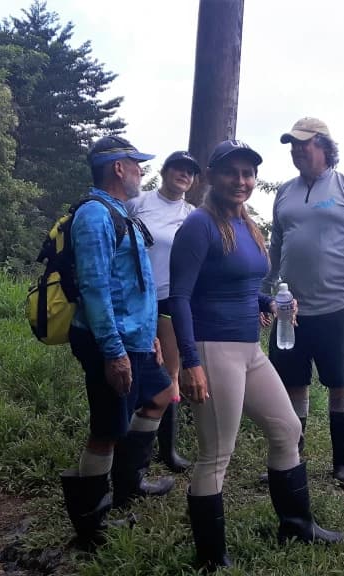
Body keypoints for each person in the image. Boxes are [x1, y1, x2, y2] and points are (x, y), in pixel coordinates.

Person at [170, 140, 344, 570]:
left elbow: (244, 286)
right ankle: (211, 559)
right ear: (212, 177)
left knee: (287, 428)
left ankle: (296, 526)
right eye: (231, 172)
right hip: (213, 348)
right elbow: (180, 298)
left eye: (248, 173)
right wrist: (190, 362)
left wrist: (269, 303)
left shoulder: (246, 225)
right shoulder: (199, 225)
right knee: (216, 453)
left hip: (249, 349)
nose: (241, 180)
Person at [60, 135, 176, 550]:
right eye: (136, 164)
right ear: (118, 168)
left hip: (135, 338)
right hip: (110, 341)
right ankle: (92, 525)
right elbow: (94, 288)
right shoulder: (94, 215)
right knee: (107, 429)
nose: (141, 171)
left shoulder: (118, 210)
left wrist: (149, 337)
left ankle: (130, 483)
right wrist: (114, 352)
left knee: (160, 395)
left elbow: (134, 283)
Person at [262, 117, 344, 488]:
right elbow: (276, 245)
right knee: (293, 383)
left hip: (337, 304)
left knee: (341, 383)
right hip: (289, 309)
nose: (296, 151)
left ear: (325, 146)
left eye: (303, 144)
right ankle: (291, 456)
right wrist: (265, 292)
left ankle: (343, 460)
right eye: (292, 145)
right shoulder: (285, 192)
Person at [127, 151, 201, 473]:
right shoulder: (138, 203)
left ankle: (167, 450)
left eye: (190, 172)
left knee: (171, 370)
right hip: (136, 297)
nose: (184, 174)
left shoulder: (192, 215)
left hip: (172, 300)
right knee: (134, 367)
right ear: (165, 171)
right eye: (178, 168)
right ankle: (127, 441)